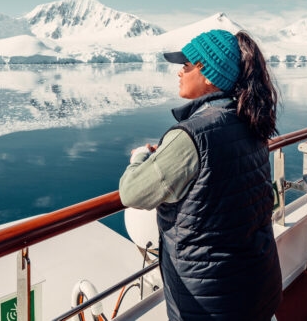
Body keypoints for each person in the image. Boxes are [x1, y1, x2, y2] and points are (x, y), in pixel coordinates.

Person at [119, 29, 282, 320]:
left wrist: (140, 157)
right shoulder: (251, 121)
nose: (179, 73)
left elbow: (131, 192)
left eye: (185, 66)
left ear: (208, 75)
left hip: (211, 304)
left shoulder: (192, 135)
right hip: (258, 283)